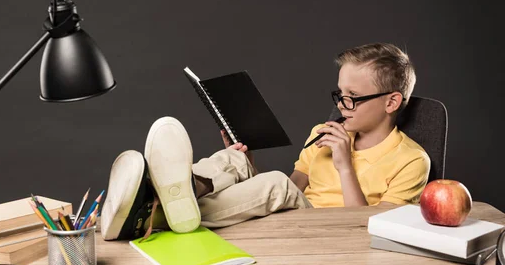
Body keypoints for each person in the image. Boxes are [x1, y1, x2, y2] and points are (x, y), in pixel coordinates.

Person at [100, 42, 430, 241]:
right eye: (340, 95)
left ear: (391, 102)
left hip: (334, 234)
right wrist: (248, 169)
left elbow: (370, 230)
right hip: (295, 219)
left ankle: (151, 212)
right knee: (237, 159)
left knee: (274, 185)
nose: (342, 106)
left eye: (353, 98)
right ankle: (165, 193)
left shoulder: (412, 160)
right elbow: (292, 188)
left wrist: (345, 167)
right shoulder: (323, 131)